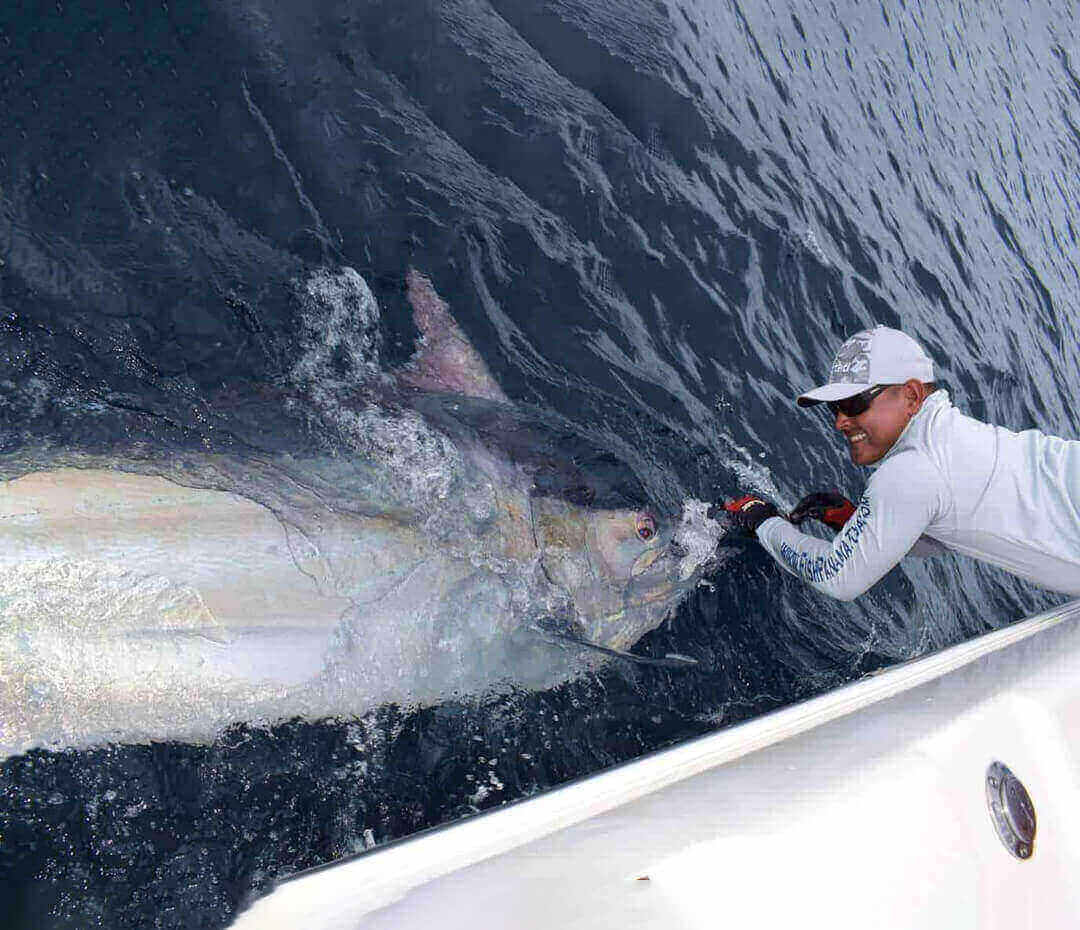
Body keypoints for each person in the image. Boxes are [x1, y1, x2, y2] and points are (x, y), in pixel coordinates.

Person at [724, 325, 1080, 600]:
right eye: (835, 407)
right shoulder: (952, 439)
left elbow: (836, 576)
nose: (839, 422)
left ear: (911, 395)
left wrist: (764, 522)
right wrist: (854, 522)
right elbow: (937, 532)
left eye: (854, 404)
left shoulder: (912, 469)